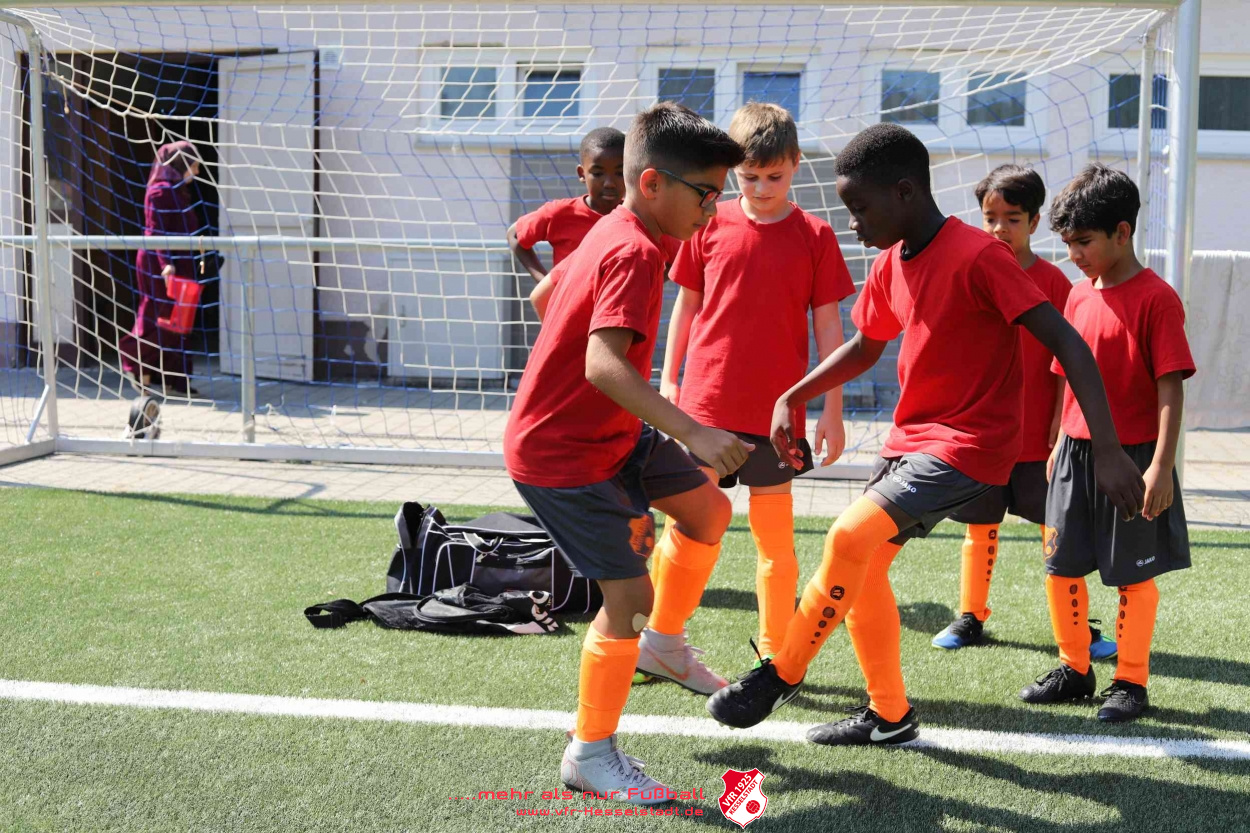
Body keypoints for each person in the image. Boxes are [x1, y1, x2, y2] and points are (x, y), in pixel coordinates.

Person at [705, 123, 1146, 747]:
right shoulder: (891, 261)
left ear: (905, 192)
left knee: (847, 535)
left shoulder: (981, 256)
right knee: (862, 567)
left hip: (969, 446)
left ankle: (782, 673)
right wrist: (793, 395)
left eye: (860, 208)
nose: (853, 222)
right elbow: (865, 346)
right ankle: (889, 715)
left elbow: (1070, 344)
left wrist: (1106, 450)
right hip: (910, 442)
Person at [504, 102, 747, 801]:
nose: (714, 208)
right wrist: (694, 431)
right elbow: (603, 366)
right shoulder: (637, 249)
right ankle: (591, 754)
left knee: (707, 512)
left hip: (612, 432)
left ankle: (662, 647)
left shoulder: (617, 227)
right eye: (706, 193)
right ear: (653, 184)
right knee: (630, 594)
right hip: (561, 454)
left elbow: (547, 296)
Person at [659, 102, 854, 662]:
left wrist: (832, 410)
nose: (763, 188)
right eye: (749, 177)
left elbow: (830, 331)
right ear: (731, 172)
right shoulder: (707, 223)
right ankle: (659, 639)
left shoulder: (816, 236)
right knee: (687, 530)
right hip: (705, 410)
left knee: (775, 545)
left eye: (775, 176)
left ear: (796, 164)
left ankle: (774, 655)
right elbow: (686, 307)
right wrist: (669, 381)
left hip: (778, 420)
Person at [1019, 164, 1195, 723]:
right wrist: (1057, 440)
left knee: (1132, 576)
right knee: (1061, 566)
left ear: (1122, 232)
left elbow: (1170, 387)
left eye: (1084, 242)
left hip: (1135, 457)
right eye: (1068, 243)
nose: (1074, 254)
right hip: (1074, 455)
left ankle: (1131, 681)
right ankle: (1074, 668)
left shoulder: (1158, 299)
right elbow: (1065, 377)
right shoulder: (1075, 296)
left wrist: (1161, 466)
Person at [932, 165, 1115, 660]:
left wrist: (1059, 420)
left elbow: (1069, 358)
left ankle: (1078, 629)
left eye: (1012, 219)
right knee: (980, 528)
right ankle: (971, 616)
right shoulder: (971, 271)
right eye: (990, 218)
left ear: (1034, 222)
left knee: (1058, 534)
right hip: (984, 438)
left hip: (1039, 440)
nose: (999, 229)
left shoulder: (1054, 282)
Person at [119, 140, 205, 397]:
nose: (197, 172)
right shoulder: (160, 191)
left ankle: (174, 379)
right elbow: (156, 230)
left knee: (179, 322)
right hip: (160, 265)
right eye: (194, 165)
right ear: (181, 164)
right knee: (157, 319)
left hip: (179, 263)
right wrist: (166, 264)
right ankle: (136, 362)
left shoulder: (179, 191)